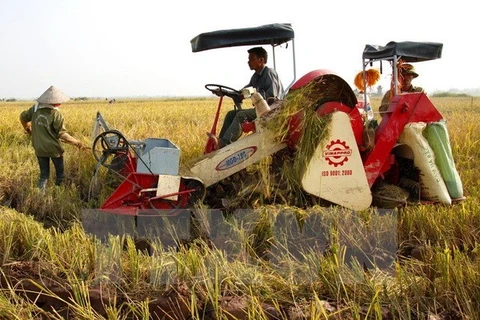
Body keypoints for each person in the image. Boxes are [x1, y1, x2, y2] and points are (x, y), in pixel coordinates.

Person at [210, 46, 284, 149]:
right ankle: (220, 143)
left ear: (261, 60)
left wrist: (254, 93)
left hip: (272, 111)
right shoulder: (255, 77)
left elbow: (272, 96)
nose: (248, 62)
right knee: (231, 114)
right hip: (260, 110)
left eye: (252, 59)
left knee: (241, 115)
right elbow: (242, 92)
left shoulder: (269, 73)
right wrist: (224, 92)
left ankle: (223, 143)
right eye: (249, 59)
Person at [20, 85, 86, 191]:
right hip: (54, 149)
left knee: (43, 176)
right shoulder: (56, 114)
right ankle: (57, 193)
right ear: (53, 101)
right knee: (60, 175)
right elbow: (62, 134)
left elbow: (22, 117)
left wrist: (28, 129)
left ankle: (41, 195)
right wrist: (77, 142)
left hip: (39, 148)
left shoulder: (35, 109)